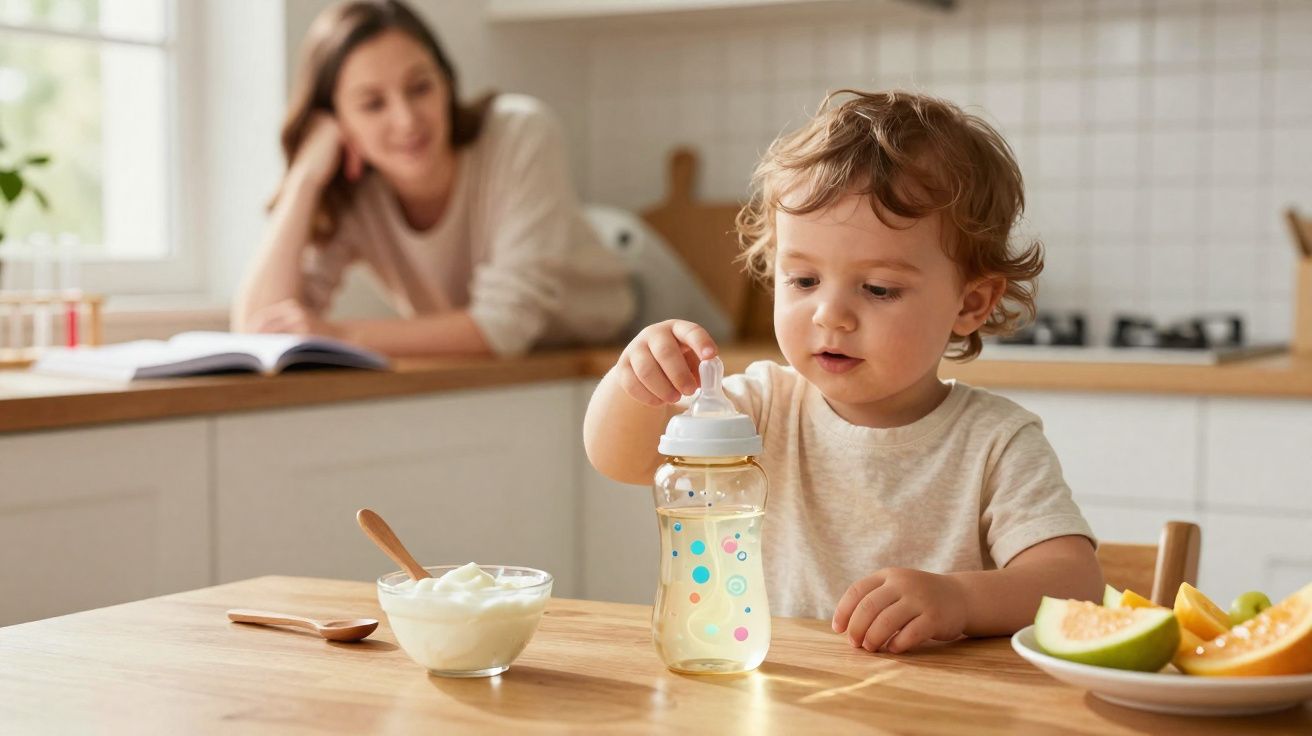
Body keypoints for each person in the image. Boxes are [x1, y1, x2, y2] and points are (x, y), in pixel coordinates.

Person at [583, 90, 1103, 654]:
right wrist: (635, 382)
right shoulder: (760, 405)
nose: (830, 314)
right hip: (780, 696)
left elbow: (1074, 586)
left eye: (878, 289)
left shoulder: (997, 442)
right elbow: (623, 459)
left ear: (971, 303)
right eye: (803, 281)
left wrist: (961, 600)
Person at [233, 0, 633, 357]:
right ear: (339, 122)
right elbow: (261, 329)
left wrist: (336, 334)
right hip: (522, 368)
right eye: (373, 104)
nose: (407, 120)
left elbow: (503, 327)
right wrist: (304, 178)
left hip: (628, 337)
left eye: (420, 87)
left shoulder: (520, 132)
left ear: (446, 82)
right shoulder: (356, 194)